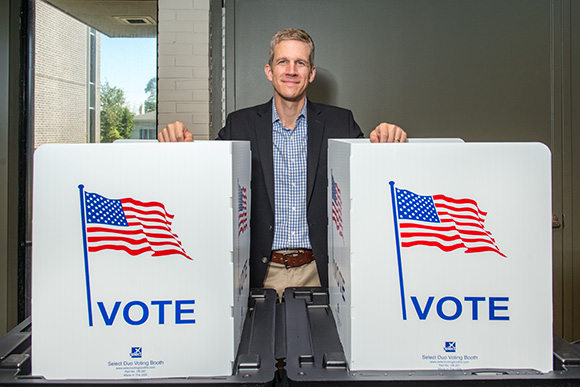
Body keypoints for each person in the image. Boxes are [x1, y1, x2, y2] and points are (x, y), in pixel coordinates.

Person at [159, 28, 407, 298]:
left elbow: (368, 183)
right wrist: (181, 149)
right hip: (258, 274)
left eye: (300, 63)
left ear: (311, 73)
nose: (291, 70)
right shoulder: (239, 125)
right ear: (269, 71)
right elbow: (208, 182)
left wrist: (386, 141)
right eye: (283, 62)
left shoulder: (340, 123)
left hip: (321, 272)